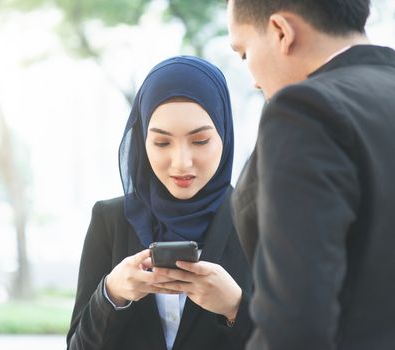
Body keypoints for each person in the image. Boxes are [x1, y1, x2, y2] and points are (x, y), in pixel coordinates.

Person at [226, 0, 395, 349]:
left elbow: (295, 326)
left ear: (281, 32)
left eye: (244, 54)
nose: (254, 80)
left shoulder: (306, 111)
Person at [67, 56, 253, 350]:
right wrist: (111, 293)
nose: (182, 163)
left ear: (225, 135)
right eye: (162, 143)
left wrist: (235, 307)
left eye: (200, 141)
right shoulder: (110, 220)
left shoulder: (258, 222)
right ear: (142, 141)